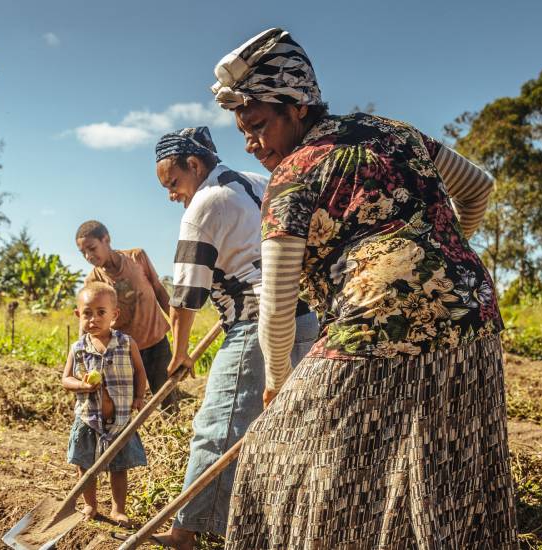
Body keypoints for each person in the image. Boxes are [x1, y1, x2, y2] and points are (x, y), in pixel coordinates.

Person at [212, 28, 518, 549]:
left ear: (298, 106)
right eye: (243, 131)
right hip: (472, 313)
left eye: (259, 125)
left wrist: (277, 384)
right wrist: (439, 249)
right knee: (438, 466)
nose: (251, 143)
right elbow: (479, 187)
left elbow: (279, 306)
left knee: (272, 452)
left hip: (376, 326)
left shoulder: (292, 177)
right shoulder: (393, 131)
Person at [150, 126, 319, 549]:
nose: (171, 194)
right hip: (302, 318)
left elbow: (186, 296)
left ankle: (185, 531)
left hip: (255, 325)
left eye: (173, 182)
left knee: (218, 425)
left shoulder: (204, 204)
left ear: (194, 164)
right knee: (282, 429)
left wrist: (180, 353)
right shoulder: (256, 181)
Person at [60, 282, 149, 525]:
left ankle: (118, 509)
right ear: (78, 315)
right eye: (87, 313)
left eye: (101, 312)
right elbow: (66, 379)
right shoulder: (78, 348)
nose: (94, 319)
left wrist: (139, 397)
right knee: (85, 466)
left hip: (119, 421)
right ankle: (90, 505)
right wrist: (83, 386)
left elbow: (140, 372)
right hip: (88, 419)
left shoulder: (126, 343)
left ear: (114, 315)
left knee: (119, 468)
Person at [76, 220, 174, 393]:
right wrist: (82, 352)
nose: (88, 256)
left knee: (166, 395)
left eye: (92, 248)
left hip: (157, 343)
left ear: (106, 240)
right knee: (125, 404)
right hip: (123, 351)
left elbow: (159, 291)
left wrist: (177, 326)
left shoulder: (137, 257)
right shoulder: (93, 281)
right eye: (83, 252)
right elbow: (88, 318)